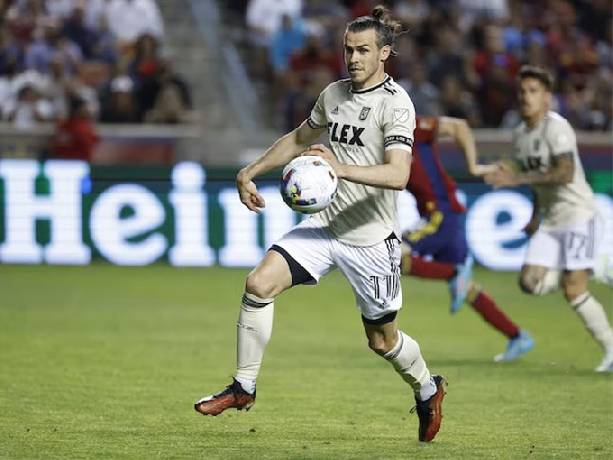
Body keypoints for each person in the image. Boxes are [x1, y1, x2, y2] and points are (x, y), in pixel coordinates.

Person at [194, 6, 447, 442]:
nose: (353, 58)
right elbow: (297, 140)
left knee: (383, 342)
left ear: (385, 53)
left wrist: (339, 168)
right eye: (348, 49)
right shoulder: (334, 94)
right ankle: (243, 387)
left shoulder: (397, 104)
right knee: (258, 284)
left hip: (370, 239)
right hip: (325, 227)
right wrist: (249, 171)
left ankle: (427, 388)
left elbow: (398, 174)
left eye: (363, 50)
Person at [485, 65, 613, 373]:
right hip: (552, 220)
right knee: (529, 283)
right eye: (523, 92)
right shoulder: (520, 135)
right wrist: (534, 215)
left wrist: (516, 180)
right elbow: (537, 182)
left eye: (534, 91)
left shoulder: (557, 127)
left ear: (546, 97)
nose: (527, 97)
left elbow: (564, 172)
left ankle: (610, 347)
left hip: (578, 214)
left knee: (573, 291)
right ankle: (589, 268)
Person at [401, 116, 535, 362]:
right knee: (466, 287)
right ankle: (517, 336)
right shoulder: (379, 141)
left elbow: (459, 127)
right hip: (443, 214)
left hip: (440, 213)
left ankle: (453, 272)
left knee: (394, 255)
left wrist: (473, 167)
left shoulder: (411, 126)